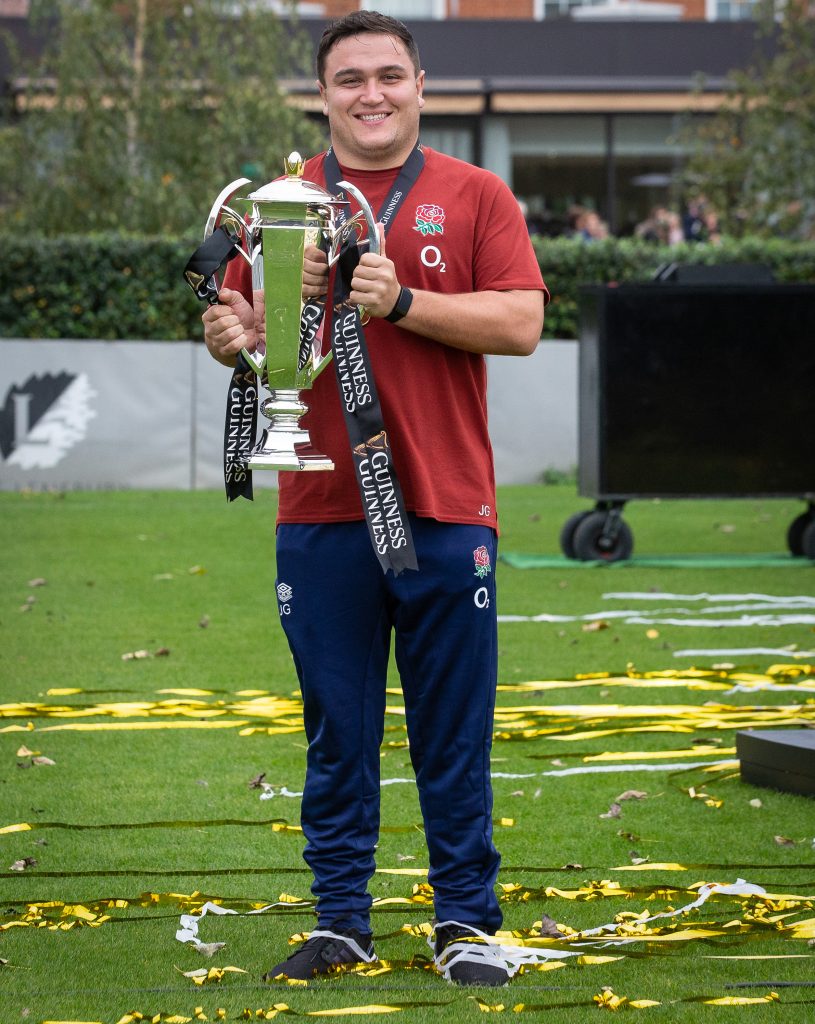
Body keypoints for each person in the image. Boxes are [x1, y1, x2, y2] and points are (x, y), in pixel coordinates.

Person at [202, 10, 547, 987]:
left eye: (388, 75)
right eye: (349, 78)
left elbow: (519, 321)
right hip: (320, 512)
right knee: (335, 730)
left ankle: (465, 925)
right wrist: (229, 336)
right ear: (323, 95)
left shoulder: (475, 195)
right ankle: (341, 921)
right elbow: (250, 328)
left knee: (452, 730)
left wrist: (400, 301)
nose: (370, 94)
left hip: (442, 505)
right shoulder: (280, 203)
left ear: (419, 84)